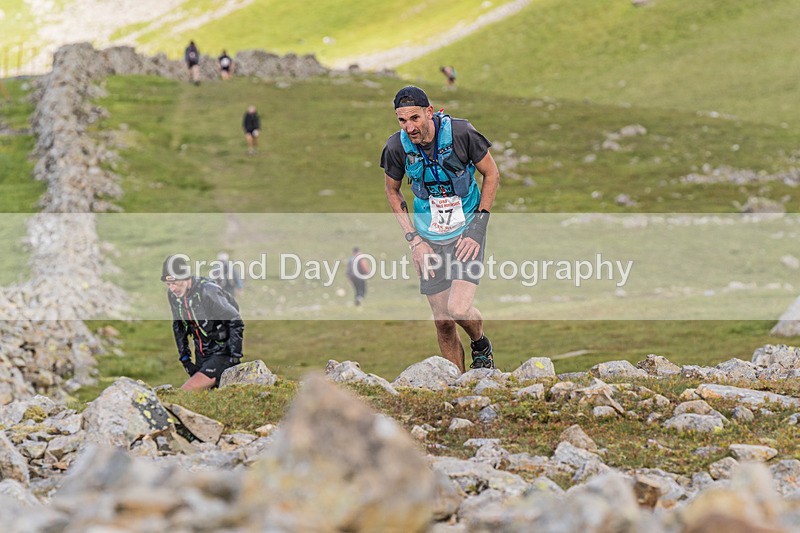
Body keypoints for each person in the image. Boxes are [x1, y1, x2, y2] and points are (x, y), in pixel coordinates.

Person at [380, 86, 500, 372]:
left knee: (458, 309)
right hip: (428, 239)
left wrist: (478, 228)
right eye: (402, 120)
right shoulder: (396, 147)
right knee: (443, 320)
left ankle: (480, 344)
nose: (409, 127)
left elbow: (491, 173)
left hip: (466, 233)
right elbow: (392, 191)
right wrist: (414, 241)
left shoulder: (461, 134)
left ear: (429, 113)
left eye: (415, 118)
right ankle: (455, 385)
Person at [162, 254, 244, 390]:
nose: (172, 288)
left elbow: (235, 320)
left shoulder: (208, 291)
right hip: (201, 355)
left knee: (186, 392)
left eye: (175, 283)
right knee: (206, 400)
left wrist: (234, 357)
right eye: (168, 284)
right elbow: (179, 326)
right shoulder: (174, 295)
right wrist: (186, 360)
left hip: (222, 353)